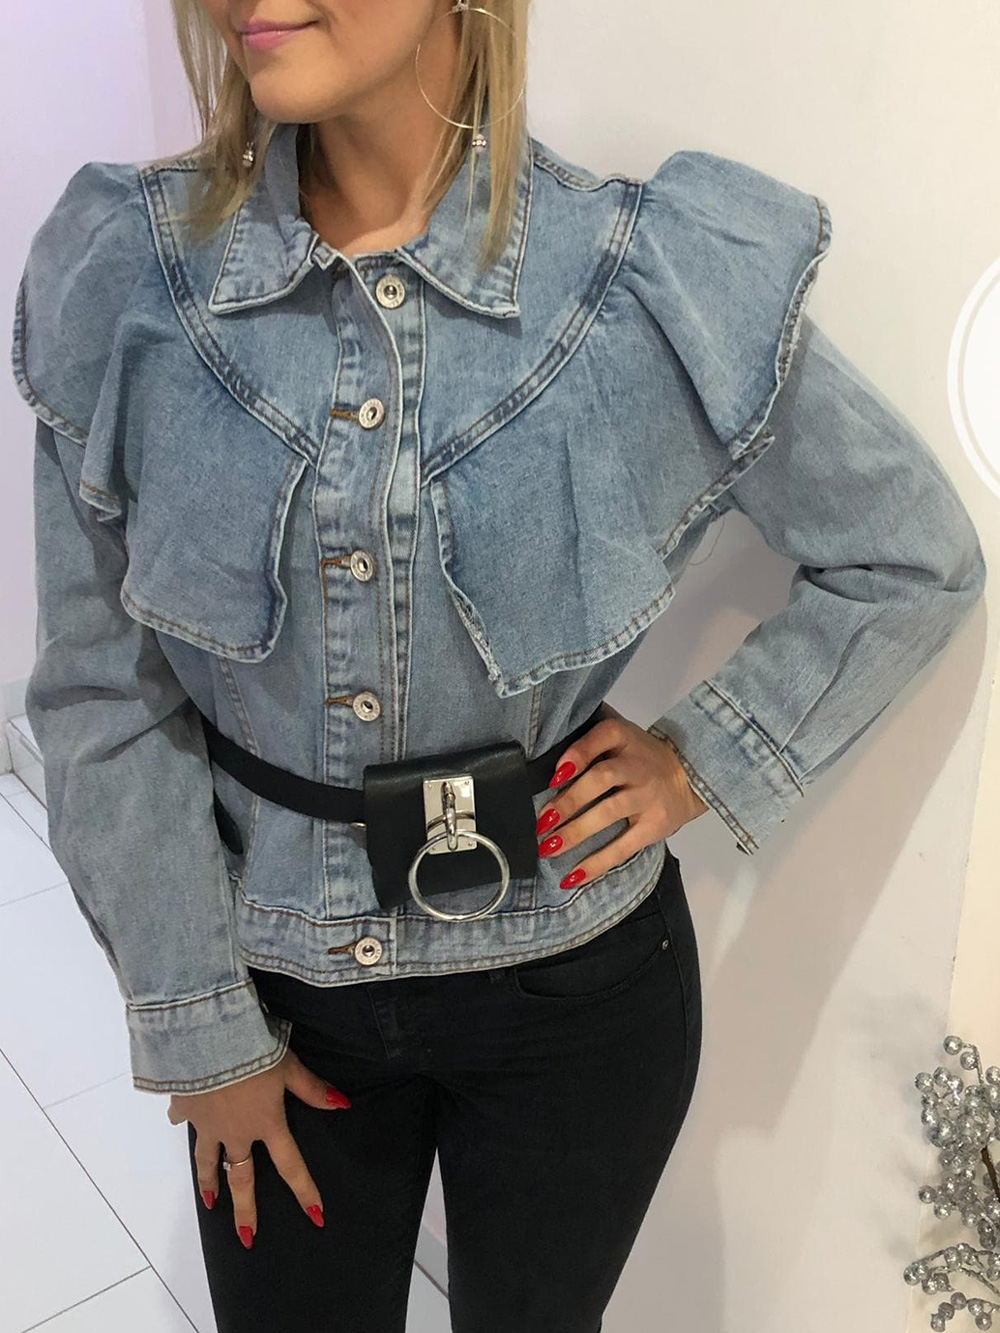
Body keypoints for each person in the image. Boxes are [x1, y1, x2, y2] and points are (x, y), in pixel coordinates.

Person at [10, 1, 987, 1330]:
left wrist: (705, 756)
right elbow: (100, 691)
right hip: (274, 995)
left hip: (577, 986)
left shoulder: (642, 278)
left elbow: (910, 554)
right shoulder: (134, 279)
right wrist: (199, 1022)